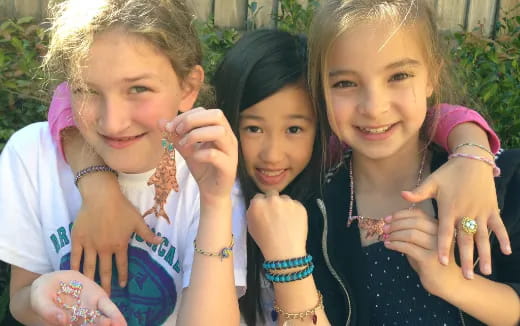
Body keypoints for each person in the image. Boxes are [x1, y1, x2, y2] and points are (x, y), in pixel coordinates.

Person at [49, 28, 505, 325]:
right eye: (251, 128)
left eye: (294, 128)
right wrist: (97, 186)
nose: (272, 152)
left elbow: (422, 117)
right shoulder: (193, 162)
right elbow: (68, 98)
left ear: (319, 124)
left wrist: (471, 150)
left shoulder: (326, 181)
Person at [257, 0, 520, 324]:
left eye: (398, 76)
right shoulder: (311, 209)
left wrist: (453, 284)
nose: (374, 106)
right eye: (345, 83)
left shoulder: (499, 181)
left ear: (431, 76)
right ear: (320, 88)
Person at [0, 0, 246, 325]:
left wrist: (215, 204)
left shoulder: (209, 174)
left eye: (138, 88)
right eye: (87, 89)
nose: (113, 123)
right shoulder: (31, 156)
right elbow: (21, 299)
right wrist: (40, 294)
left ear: (188, 88)